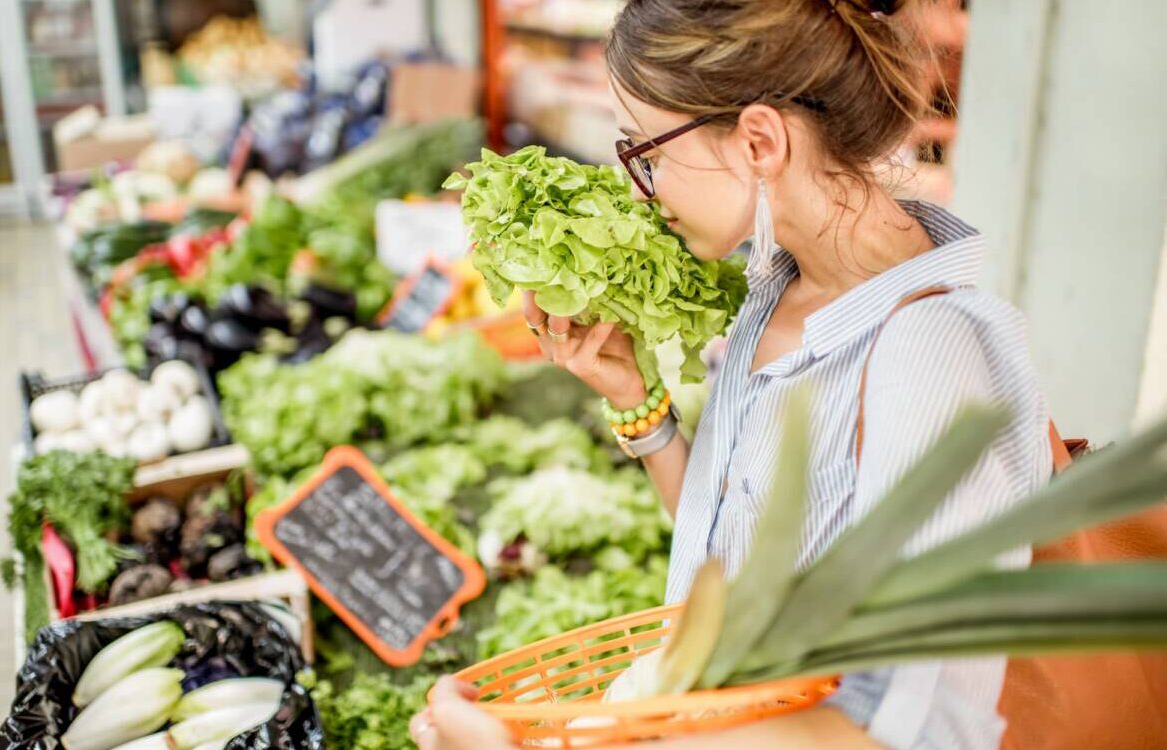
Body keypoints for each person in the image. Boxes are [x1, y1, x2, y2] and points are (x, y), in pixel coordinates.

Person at [411, 0, 1053, 747]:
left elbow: (906, 728)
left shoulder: (933, 354)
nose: (643, 187)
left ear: (759, 140)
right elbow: (736, 562)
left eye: (647, 154)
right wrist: (641, 409)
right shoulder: (774, 287)